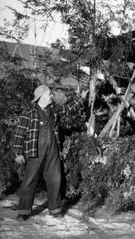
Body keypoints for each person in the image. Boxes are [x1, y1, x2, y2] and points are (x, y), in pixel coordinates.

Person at [12, 84, 88, 221]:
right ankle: (23, 211)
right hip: (35, 151)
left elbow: (67, 109)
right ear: (41, 97)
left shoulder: (53, 110)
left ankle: (55, 209)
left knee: (55, 179)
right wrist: (17, 153)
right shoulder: (30, 114)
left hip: (53, 150)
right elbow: (18, 134)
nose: (51, 96)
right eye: (49, 94)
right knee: (30, 181)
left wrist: (81, 98)